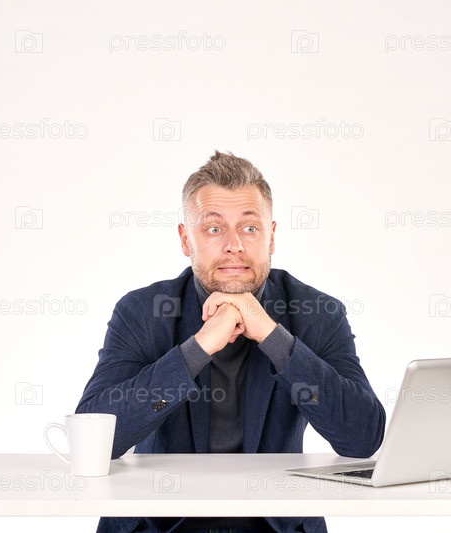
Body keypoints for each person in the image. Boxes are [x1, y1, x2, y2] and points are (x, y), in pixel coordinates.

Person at [76, 151, 386, 533]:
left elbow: (362, 438)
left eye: (250, 228)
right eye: (213, 229)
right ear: (185, 240)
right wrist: (197, 349)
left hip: (277, 526)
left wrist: (274, 338)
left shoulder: (318, 313)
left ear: (272, 237)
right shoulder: (142, 312)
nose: (233, 244)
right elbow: (93, 440)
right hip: (157, 524)